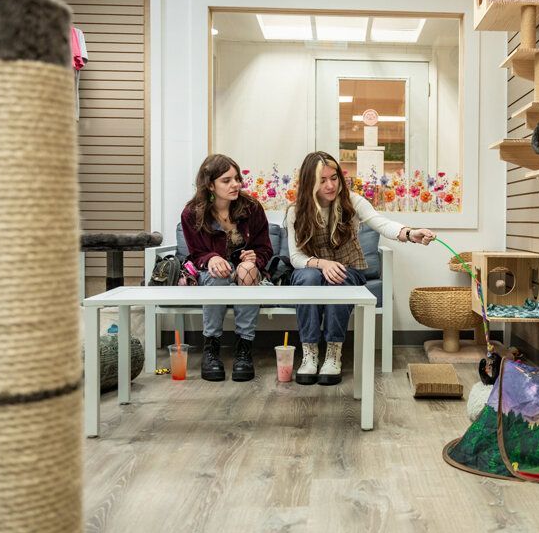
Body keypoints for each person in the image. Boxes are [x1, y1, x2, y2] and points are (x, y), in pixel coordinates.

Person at [288, 151, 435, 385]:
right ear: (310, 183)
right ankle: (310, 354)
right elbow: (296, 257)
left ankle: (333, 354)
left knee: (339, 278)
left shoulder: (352, 201)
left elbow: (381, 223)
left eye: (334, 178)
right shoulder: (296, 211)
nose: (330, 185)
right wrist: (322, 264)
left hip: (347, 269)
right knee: (308, 278)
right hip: (312, 269)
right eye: (322, 180)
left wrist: (409, 233)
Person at [181, 154, 273, 382]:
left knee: (247, 270)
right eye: (226, 180)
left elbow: (266, 249)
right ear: (210, 184)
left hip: (245, 272)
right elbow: (195, 253)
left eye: (237, 178)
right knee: (217, 275)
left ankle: (244, 348)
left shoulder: (251, 208)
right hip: (212, 274)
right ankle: (211, 348)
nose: (236, 185)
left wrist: (255, 257)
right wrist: (210, 259)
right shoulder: (192, 213)